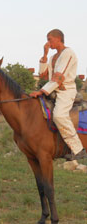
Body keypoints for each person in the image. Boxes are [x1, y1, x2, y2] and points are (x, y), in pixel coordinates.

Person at [30, 29, 87, 160]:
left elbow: (59, 77)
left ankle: (78, 150)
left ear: (58, 39)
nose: (48, 42)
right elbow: (43, 75)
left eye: (49, 39)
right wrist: (44, 55)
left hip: (66, 92)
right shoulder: (52, 58)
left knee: (59, 115)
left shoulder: (68, 53)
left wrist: (41, 91)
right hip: (53, 90)